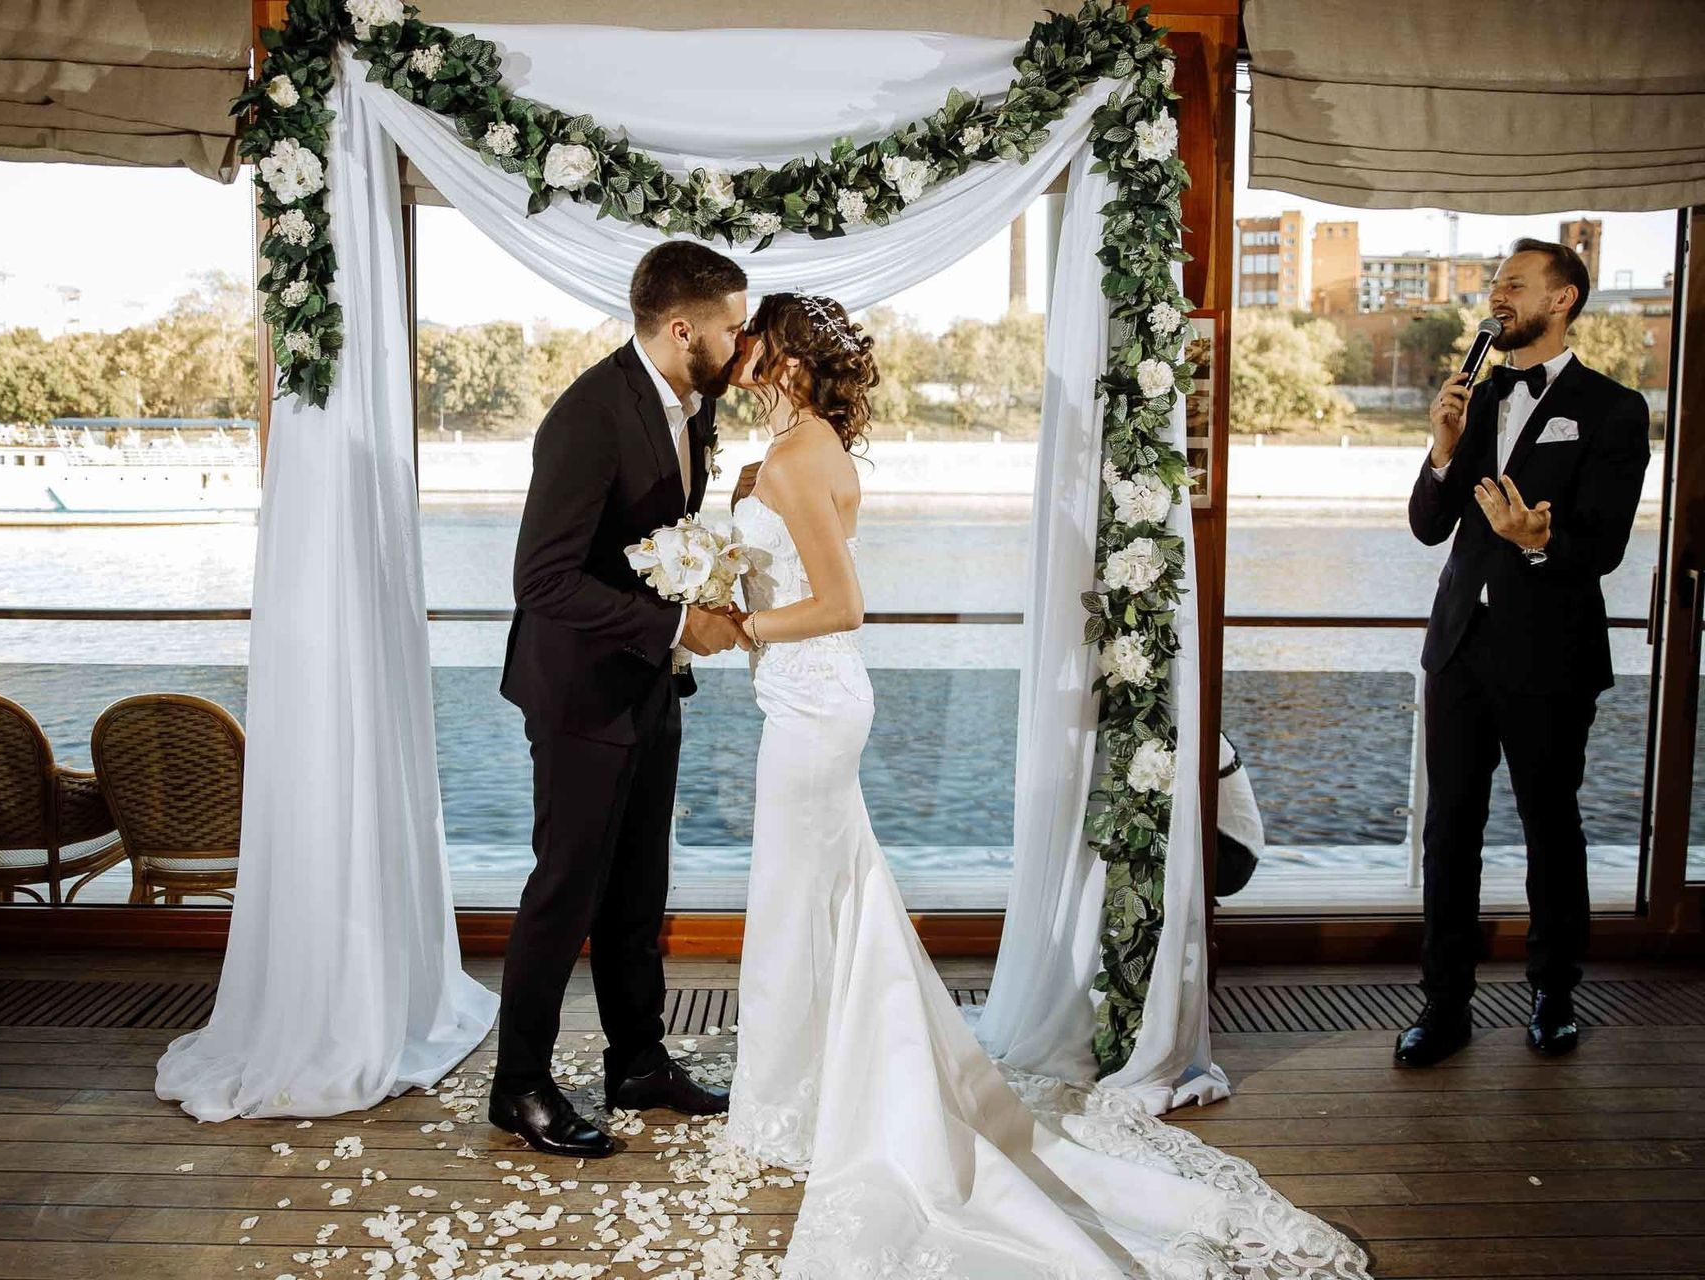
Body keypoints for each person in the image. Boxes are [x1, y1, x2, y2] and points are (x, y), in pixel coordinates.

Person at [722, 292, 1370, 1277]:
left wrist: (743, 628)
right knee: (830, 899)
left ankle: (796, 1103)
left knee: (794, 899)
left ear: (787, 356)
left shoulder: (792, 456)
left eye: (752, 338)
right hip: (815, 705)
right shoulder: (807, 448)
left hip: (811, 707)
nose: (738, 352)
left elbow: (843, 602)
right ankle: (817, 1082)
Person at [488, 241, 747, 1156]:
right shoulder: (588, 414)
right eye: (730, 326)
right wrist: (676, 629)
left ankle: (637, 1061)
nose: (741, 340)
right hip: (578, 693)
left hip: (646, 685)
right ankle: (518, 1085)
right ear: (684, 331)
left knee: (640, 888)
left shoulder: (693, 406)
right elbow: (542, 581)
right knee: (565, 891)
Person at [1397, 238, 1651, 1068]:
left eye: (1514, 284)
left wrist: (1539, 542)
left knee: (1551, 827)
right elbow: (1431, 526)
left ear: (1564, 298)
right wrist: (1441, 450)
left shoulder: (1614, 408)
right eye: (1493, 283)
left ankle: (1552, 996)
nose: (1496, 296)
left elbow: (1604, 546)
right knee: (1448, 832)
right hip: (1460, 649)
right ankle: (1445, 1006)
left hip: (1550, 654)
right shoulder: (1475, 393)